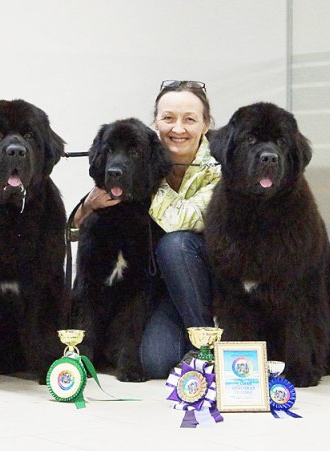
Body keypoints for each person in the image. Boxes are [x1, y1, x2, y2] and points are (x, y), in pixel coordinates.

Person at [71, 80, 220, 378]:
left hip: (201, 287)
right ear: (156, 122)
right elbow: (74, 226)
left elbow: (185, 218)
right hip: (160, 291)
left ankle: (209, 344)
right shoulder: (146, 153)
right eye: (168, 118)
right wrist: (88, 206)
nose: (178, 128)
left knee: (175, 244)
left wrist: (137, 186)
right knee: (153, 361)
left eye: (189, 119)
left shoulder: (219, 166)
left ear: (205, 125)